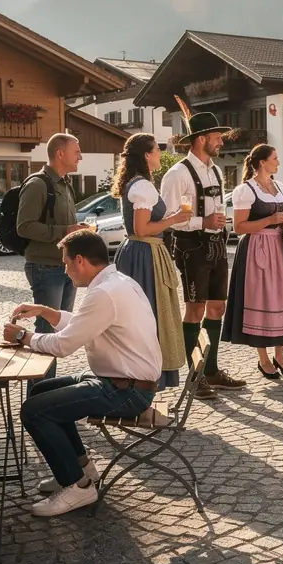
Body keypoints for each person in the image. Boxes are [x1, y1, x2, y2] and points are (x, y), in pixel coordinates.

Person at [5, 230, 163, 518]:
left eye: (66, 263)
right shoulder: (118, 282)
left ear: (80, 260)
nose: (65, 270)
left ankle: (77, 486)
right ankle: (82, 468)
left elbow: (63, 346)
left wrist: (22, 337)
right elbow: (83, 323)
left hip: (127, 391)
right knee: (42, 391)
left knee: (34, 410)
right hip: (122, 381)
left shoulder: (104, 293)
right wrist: (45, 311)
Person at [160, 113, 245, 396]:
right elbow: (168, 217)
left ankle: (211, 370)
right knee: (195, 309)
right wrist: (202, 222)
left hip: (217, 245)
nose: (221, 142)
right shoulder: (177, 174)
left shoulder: (216, 171)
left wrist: (219, 223)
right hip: (191, 248)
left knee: (217, 307)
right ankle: (194, 377)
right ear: (201, 140)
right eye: (217, 137)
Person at [111, 133, 189, 392]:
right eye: (157, 149)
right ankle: (145, 382)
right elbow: (142, 229)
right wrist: (173, 219)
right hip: (144, 254)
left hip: (139, 252)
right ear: (146, 155)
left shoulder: (136, 183)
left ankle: (142, 382)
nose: (160, 154)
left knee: (144, 316)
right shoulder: (142, 186)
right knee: (149, 317)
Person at [17, 133, 90, 380]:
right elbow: (24, 226)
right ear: (60, 154)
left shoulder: (65, 183)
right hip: (45, 267)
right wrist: (65, 231)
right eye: (76, 151)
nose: (80, 156)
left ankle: (47, 389)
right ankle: (39, 394)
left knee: (59, 328)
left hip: (65, 266)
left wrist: (76, 231)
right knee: (46, 331)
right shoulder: (38, 184)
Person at [223, 144, 283, 378]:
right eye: (275, 159)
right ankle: (263, 359)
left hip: (280, 247)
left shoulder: (280, 187)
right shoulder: (245, 190)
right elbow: (239, 227)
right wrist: (270, 220)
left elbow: (282, 217)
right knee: (261, 299)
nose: (278, 162)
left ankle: (280, 356)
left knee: (281, 298)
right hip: (256, 247)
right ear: (262, 162)